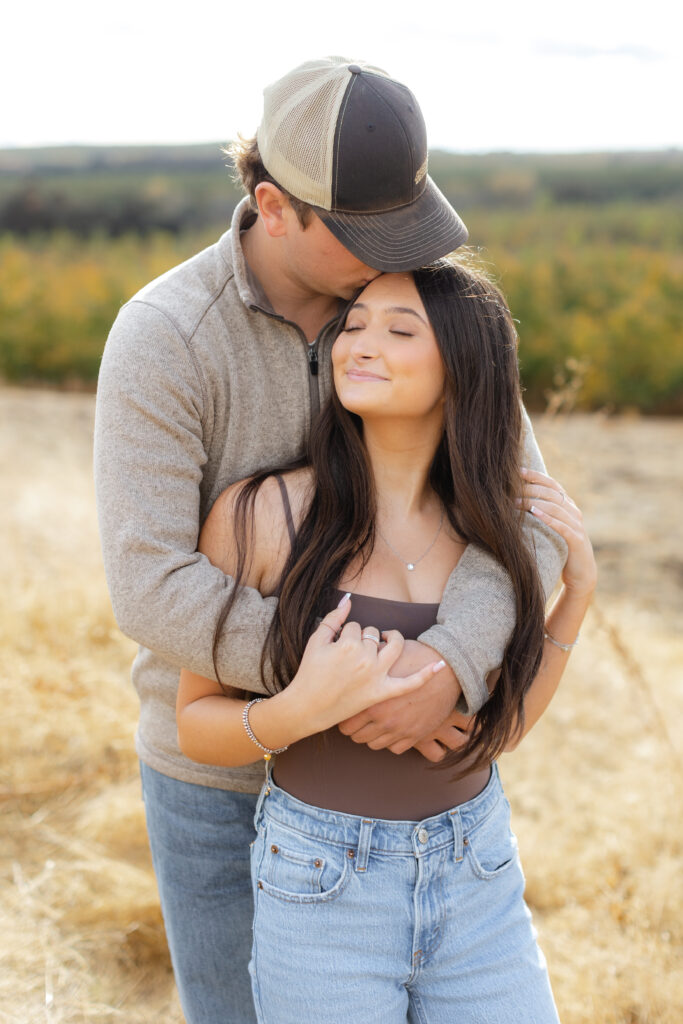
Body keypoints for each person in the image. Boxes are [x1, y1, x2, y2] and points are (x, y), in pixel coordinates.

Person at [94, 58, 566, 1024]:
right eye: (365, 235)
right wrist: (343, 687)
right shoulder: (167, 338)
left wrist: (450, 661)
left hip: (421, 786)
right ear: (274, 205)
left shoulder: (423, 308)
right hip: (217, 768)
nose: (397, 257)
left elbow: (530, 516)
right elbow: (151, 587)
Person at [176, 261, 597, 1023]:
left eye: (399, 330)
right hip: (320, 883)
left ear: (464, 368)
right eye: (355, 324)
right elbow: (194, 725)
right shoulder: (263, 514)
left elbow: (494, 737)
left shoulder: (493, 537)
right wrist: (300, 710)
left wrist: (574, 600)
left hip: (477, 867)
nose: (358, 345)